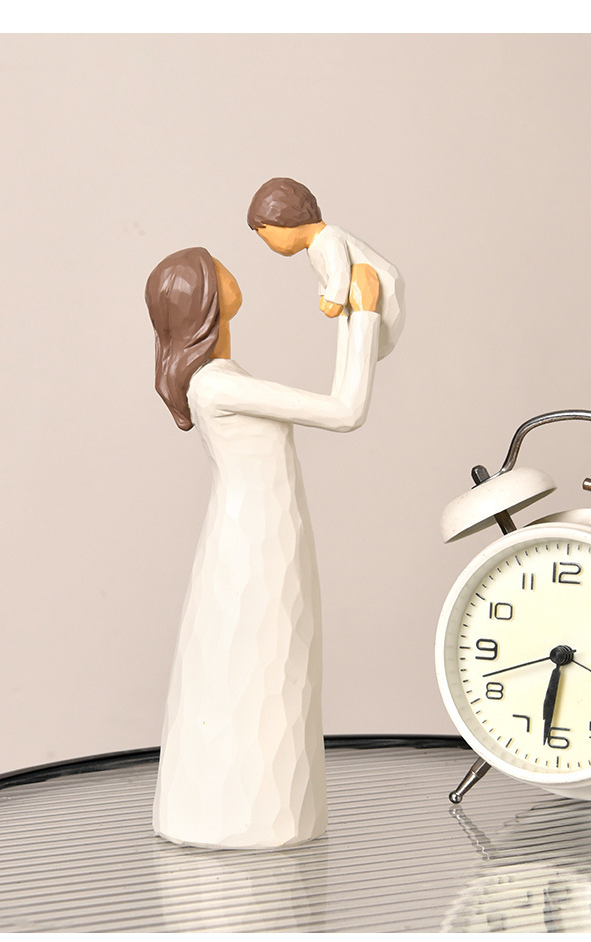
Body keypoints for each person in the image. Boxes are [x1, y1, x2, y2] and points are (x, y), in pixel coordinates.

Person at [145, 246, 381, 849]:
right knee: (260, 661)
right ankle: (244, 818)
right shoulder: (217, 384)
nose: (228, 269)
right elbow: (344, 411)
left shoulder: (220, 376)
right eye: (214, 268)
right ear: (205, 300)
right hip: (254, 544)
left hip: (263, 533)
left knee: (270, 666)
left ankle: (246, 811)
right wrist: (364, 315)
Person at [247, 176, 405, 360]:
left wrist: (334, 299)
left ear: (287, 222)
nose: (270, 245)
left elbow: (339, 272)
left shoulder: (330, 237)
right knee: (354, 346)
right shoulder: (315, 245)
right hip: (361, 302)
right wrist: (324, 293)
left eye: (268, 237)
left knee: (365, 345)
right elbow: (326, 275)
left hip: (382, 292)